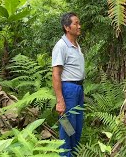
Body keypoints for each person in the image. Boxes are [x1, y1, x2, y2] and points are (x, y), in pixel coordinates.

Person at [52, 12, 85, 156]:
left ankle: (74, 154)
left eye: (79, 23)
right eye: (76, 23)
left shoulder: (76, 45)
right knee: (67, 126)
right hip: (68, 89)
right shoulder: (61, 46)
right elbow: (56, 74)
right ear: (67, 27)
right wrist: (60, 100)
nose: (79, 26)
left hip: (78, 89)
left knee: (77, 126)